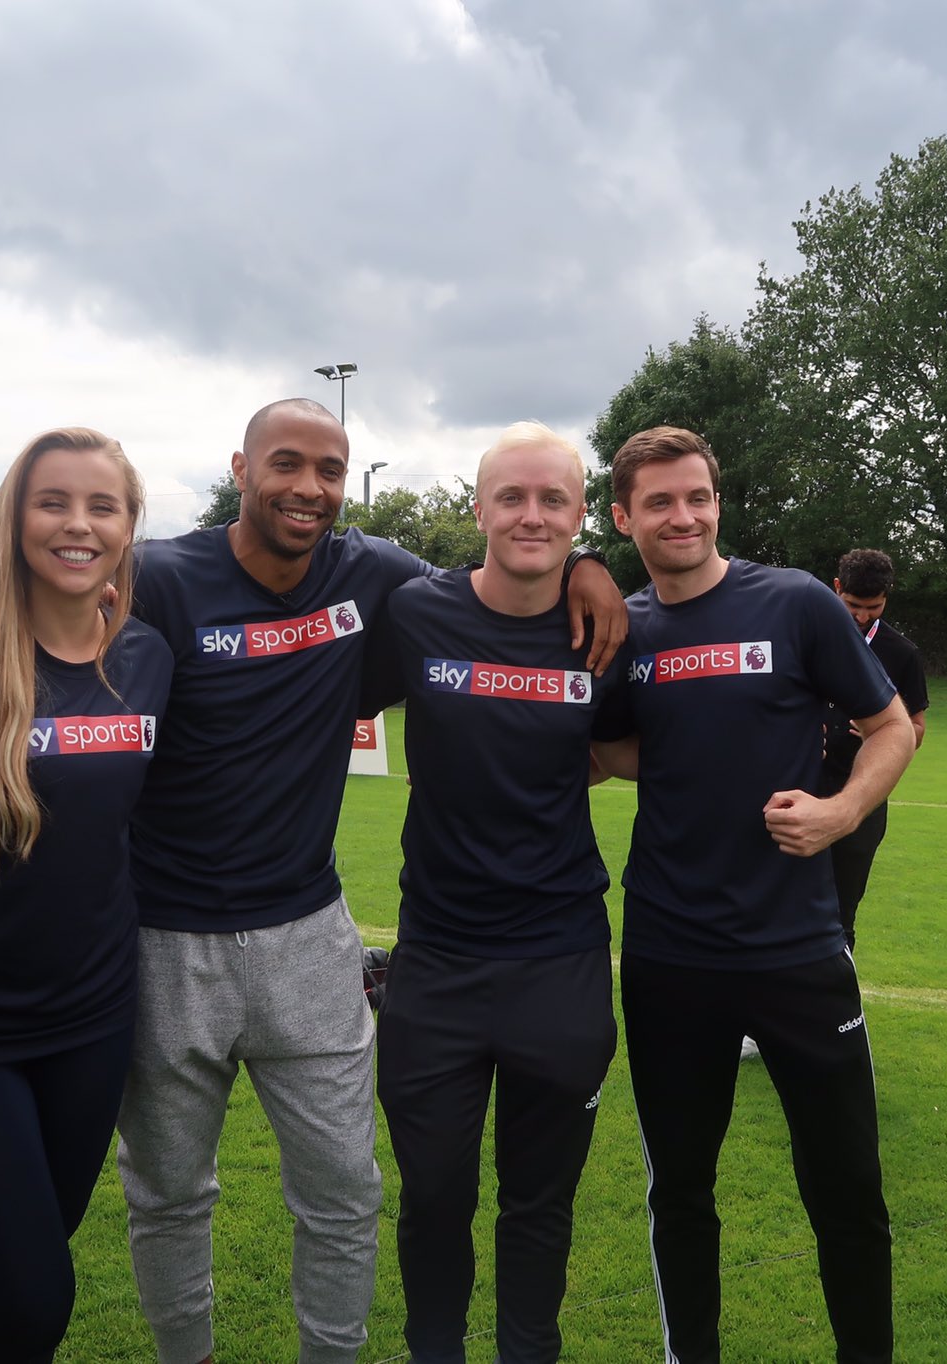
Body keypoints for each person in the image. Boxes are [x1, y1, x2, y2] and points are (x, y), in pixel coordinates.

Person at [95, 398, 621, 1364]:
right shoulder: (163, 577)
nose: (307, 488)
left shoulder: (373, 573)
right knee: (169, 1194)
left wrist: (588, 564)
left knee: (346, 1195)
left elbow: (505, 575)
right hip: (167, 938)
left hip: (309, 932)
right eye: (285, 465)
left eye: (328, 471)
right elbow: (51, 624)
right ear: (241, 470)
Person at [595, 425, 913, 1364]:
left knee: (848, 1189)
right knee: (682, 1191)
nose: (681, 516)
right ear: (624, 516)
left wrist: (841, 810)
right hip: (668, 956)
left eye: (696, 496)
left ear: (717, 502)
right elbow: (609, 749)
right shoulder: (628, 629)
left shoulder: (796, 602)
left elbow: (889, 725)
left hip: (800, 952)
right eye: (658, 502)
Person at [361, 423, 629, 1364]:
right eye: (510, 497)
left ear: (580, 515)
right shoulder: (415, 613)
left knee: (539, 1203)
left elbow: (640, 744)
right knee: (433, 1198)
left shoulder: (606, 630)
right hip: (435, 965)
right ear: (477, 508)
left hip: (561, 962)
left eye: (553, 500)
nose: (531, 515)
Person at [0, 428, 171, 1362]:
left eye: (102, 506)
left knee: (30, 1285)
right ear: (13, 517)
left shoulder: (147, 658)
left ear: (128, 527)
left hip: (95, 1023)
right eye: (52, 501)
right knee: (30, 1301)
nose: (77, 524)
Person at [820, 549, 929, 952]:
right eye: (852, 606)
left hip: (863, 800)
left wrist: (882, 737)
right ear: (836, 589)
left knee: (840, 918)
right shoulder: (804, 635)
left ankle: (835, 1010)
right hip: (796, 790)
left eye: (873, 608)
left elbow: (916, 729)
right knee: (780, 908)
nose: (863, 617)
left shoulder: (902, 653)